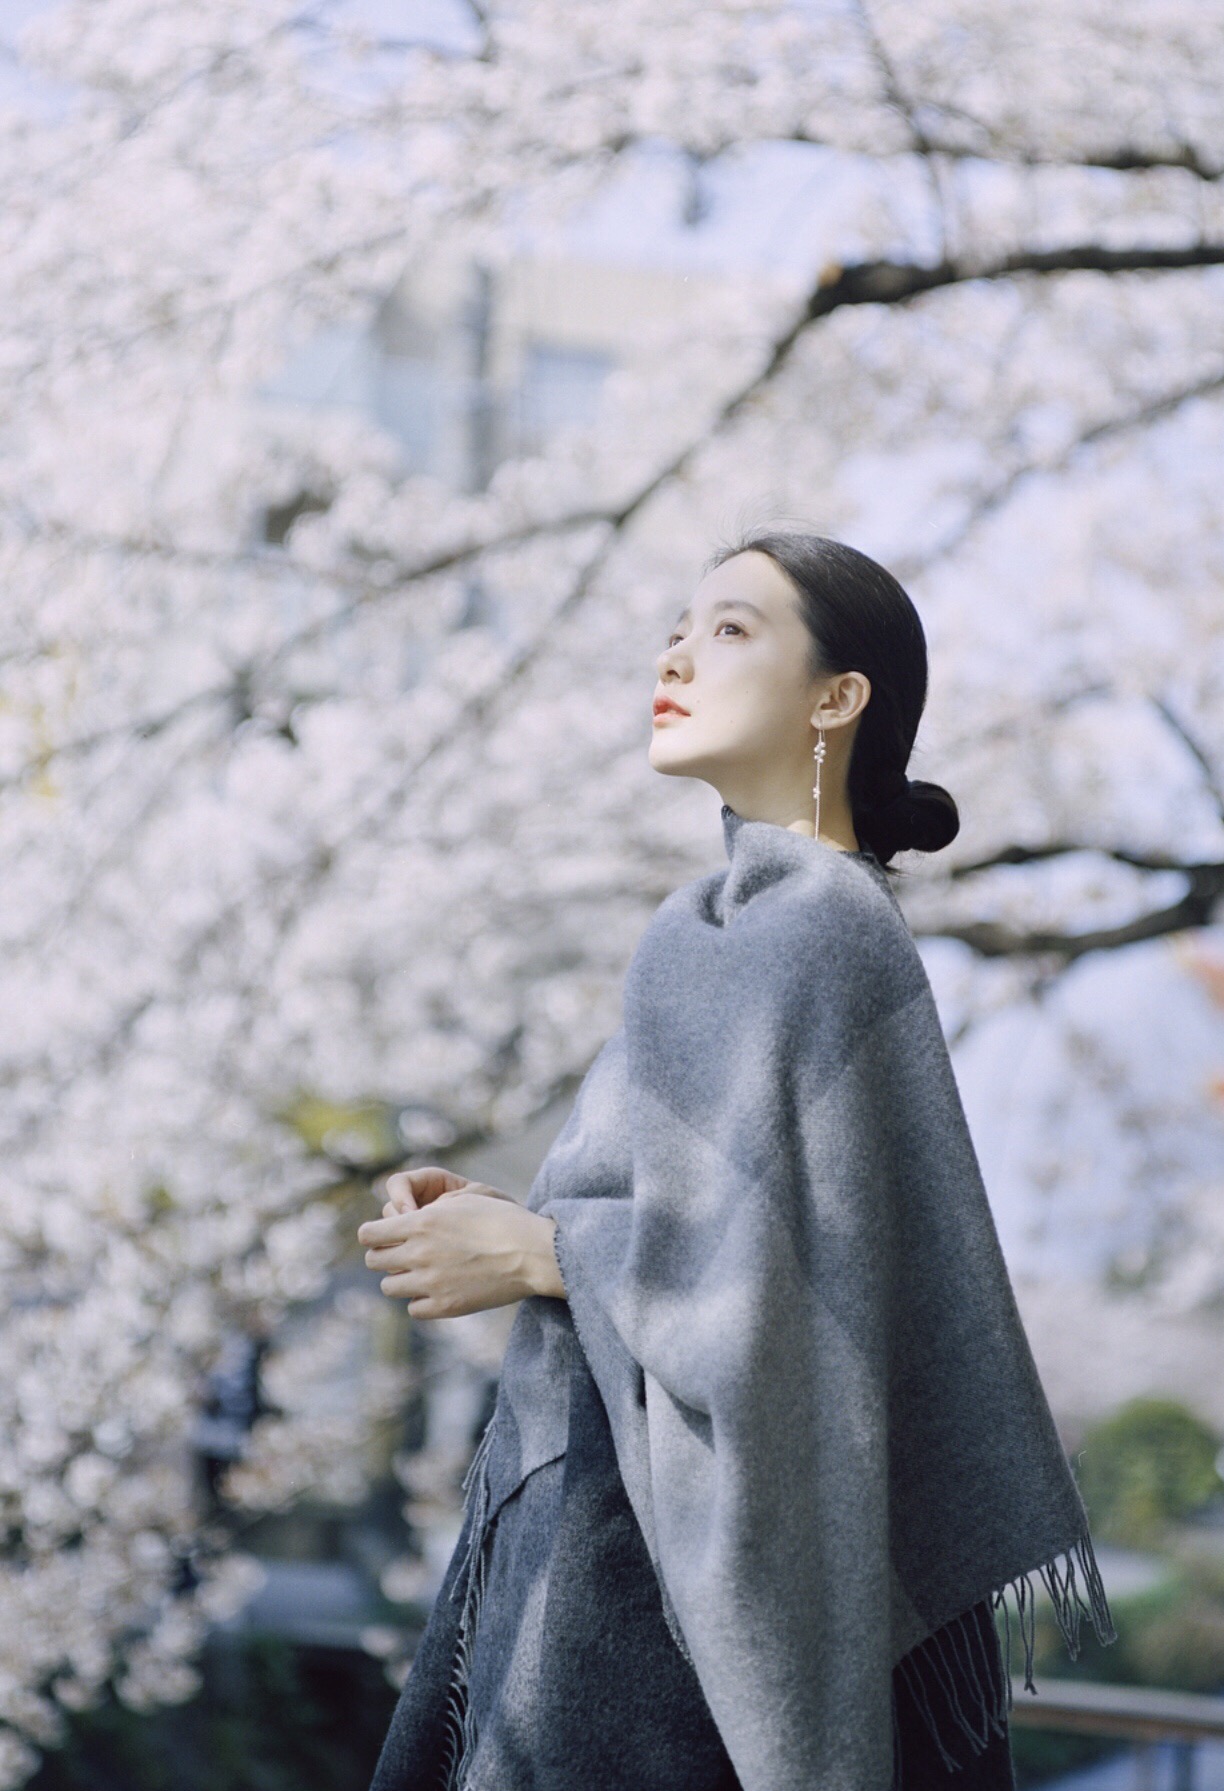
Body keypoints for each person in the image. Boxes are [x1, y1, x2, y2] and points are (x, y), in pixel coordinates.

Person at [358, 531, 1116, 1791]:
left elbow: (787, 1318)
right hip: (610, 1531)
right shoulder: (705, 931)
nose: (675, 651)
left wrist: (546, 1254)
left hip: (661, 1607)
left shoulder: (825, 933)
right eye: (678, 624)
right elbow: (706, 1235)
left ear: (837, 697)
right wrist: (503, 1219)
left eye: (729, 628)